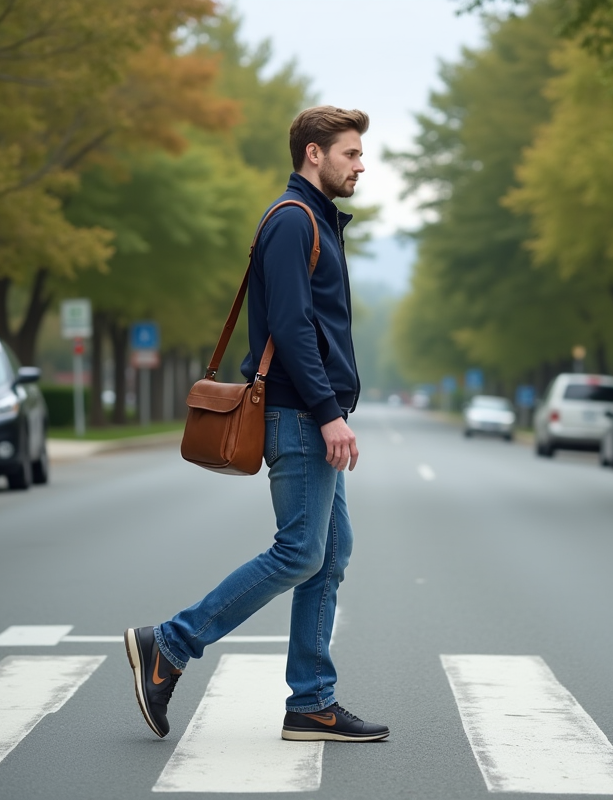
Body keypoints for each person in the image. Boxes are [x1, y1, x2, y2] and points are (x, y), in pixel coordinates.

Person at [124, 106, 388, 743]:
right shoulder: (294, 221)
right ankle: (172, 643)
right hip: (298, 414)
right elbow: (292, 329)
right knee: (300, 551)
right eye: (351, 153)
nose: (361, 165)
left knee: (329, 556)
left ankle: (312, 703)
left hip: (308, 412)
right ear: (314, 154)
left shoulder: (315, 219)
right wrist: (328, 414)